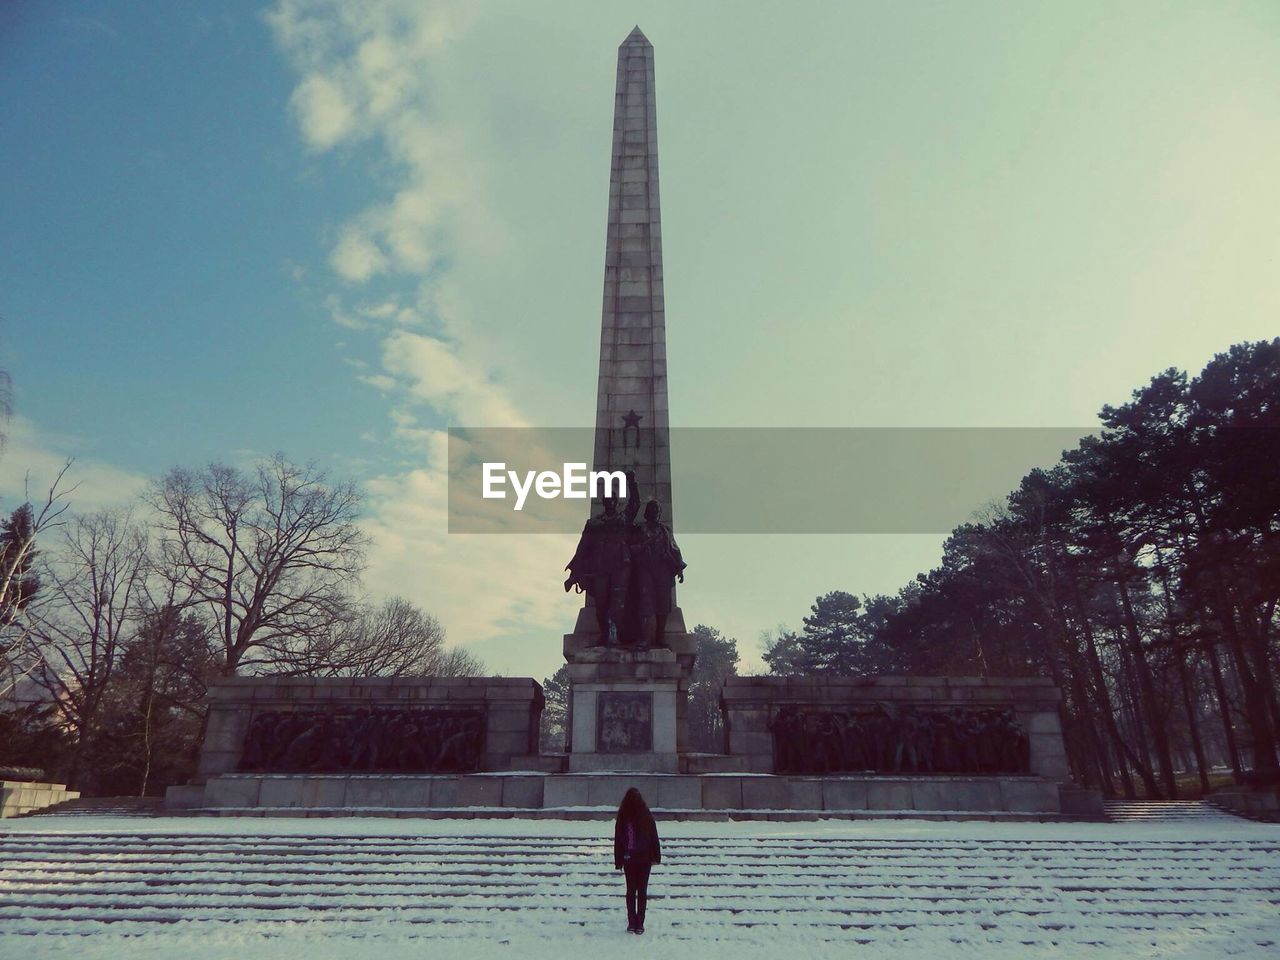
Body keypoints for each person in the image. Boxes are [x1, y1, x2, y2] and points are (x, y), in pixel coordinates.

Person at [613, 787, 661, 934]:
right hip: (644, 858)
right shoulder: (646, 814)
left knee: (631, 890)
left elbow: (618, 839)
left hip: (629, 858)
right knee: (642, 891)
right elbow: (653, 836)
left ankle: (631, 922)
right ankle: (639, 923)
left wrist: (618, 859)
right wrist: (656, 856)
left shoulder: (623, 815)